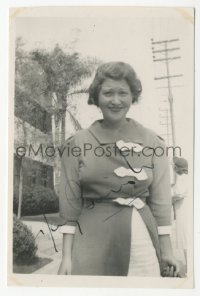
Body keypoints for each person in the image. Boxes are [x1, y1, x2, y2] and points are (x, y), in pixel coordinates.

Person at [57, 61, 180, 277]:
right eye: (108, 93)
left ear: (133, 96)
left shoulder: (153, 142)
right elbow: (70, 204)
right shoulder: (76, 143)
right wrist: (67, 257)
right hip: (91, 242)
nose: (116, 100)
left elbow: (161, 200)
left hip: (141, 240)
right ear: (96, 97)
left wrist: (166, 250)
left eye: (123, 93)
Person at [172, 156, 188, 273]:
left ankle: (189, 267)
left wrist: (168, 196)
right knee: (186, 241)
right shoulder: (185, 178)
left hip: (184, 211)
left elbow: (178, 193)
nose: (173, 168)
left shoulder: (182, 178)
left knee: (186, 240)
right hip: (183, 210)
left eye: (175, 166)